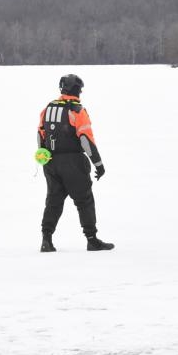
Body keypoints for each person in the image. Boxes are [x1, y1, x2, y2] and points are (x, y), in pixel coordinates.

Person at [37, 74, 114, 252]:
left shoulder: (48, 108)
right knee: (84, 200)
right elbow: (86, 140)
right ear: (76, 90)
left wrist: (45, 160)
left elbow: (40, 135)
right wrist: (98, 164)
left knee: (53, 201)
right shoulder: (77, 111)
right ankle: (92, 239)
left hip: (50, 161)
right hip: (73, 162)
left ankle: (46, 240)